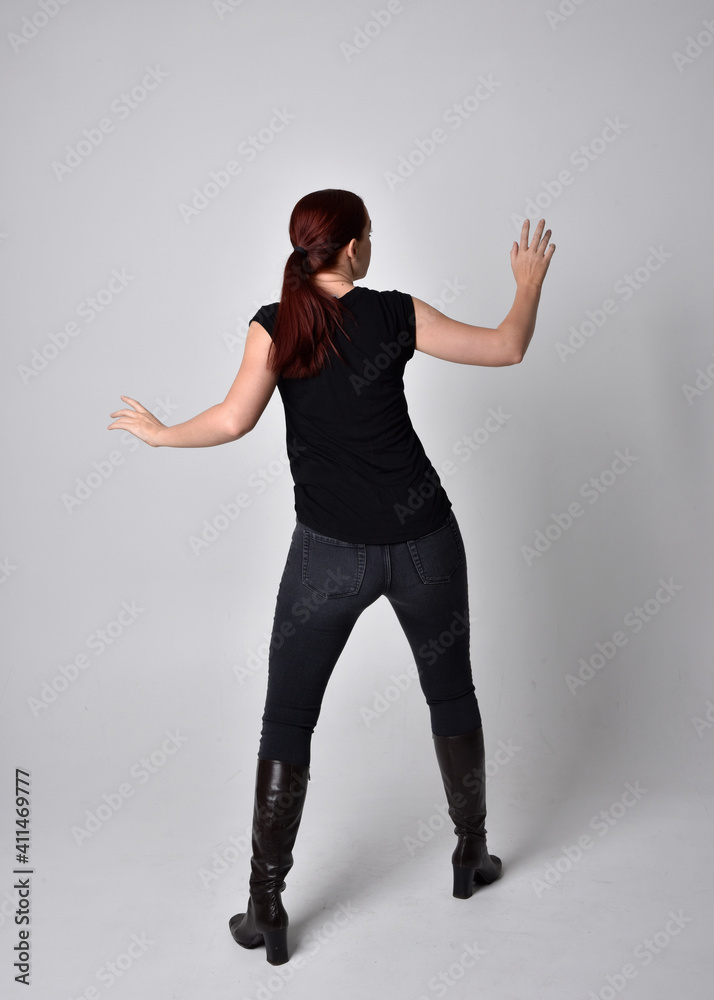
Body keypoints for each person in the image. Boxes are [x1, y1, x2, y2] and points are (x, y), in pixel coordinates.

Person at [108, 188, 555, 966]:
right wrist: (526, 286)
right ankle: (469, 856)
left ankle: (265, 906)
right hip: (426, 545)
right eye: (369, 235)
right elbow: (508, 348)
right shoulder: (393, 314)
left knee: (288, 720)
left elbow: (231, 419)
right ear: (350, 249)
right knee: (451, 693)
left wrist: (162, 436)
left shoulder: (275, 323)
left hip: (328, 558)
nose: (372, 245)